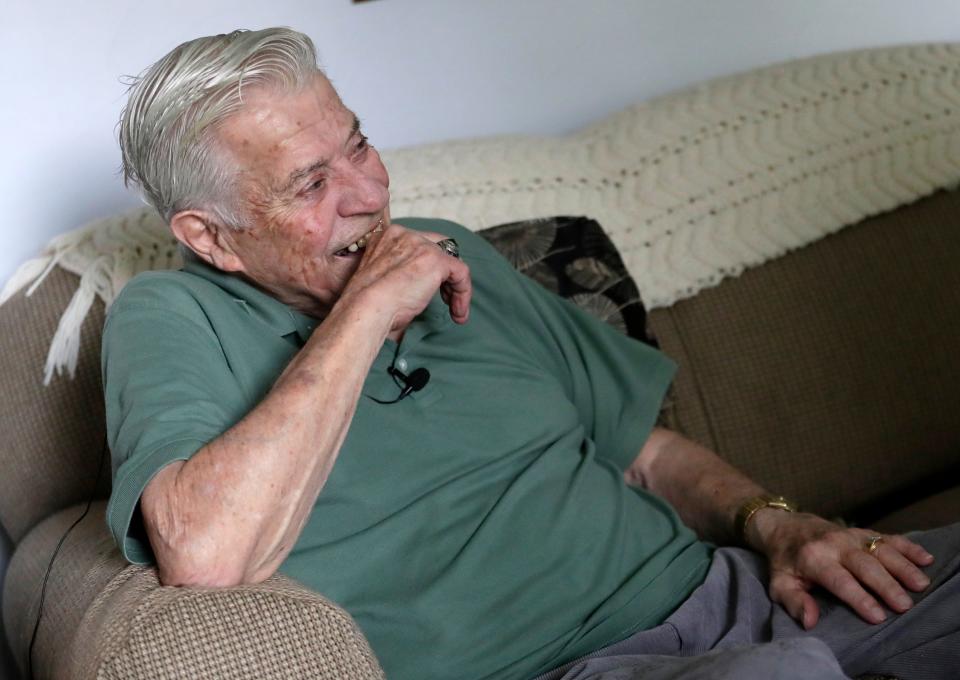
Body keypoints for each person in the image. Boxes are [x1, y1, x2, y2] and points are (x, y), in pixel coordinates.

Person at [104, 27, 959, 680]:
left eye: (357, 144)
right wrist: (366, 310)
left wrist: (775, 524)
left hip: (743, 598)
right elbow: (204, 553)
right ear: (210, 236)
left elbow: (645, 454)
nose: (370, 196)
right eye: (311, 184)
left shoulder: (450, 250)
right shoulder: (172, 315)